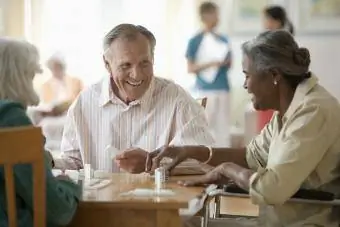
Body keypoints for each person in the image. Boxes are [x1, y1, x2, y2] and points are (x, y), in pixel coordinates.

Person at [147, 30, 340, 226]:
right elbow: (251, 156)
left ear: (274, 75)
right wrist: (190, 151)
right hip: (275, 221)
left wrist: (228, 169)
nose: (245, 85)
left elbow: (271, 189)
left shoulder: (313, 111)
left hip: (306, 223)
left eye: (247, 76)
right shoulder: (288, 110)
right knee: (183, 222)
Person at [54, 24, 214, 172]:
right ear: (107, 64)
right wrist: (49, 162)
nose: (137, 75)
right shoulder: (84, 103)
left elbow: (204, 162)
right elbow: (73, 164)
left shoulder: (179, 100)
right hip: (100, 202)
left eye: (144, 63)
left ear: (153, 59)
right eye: (126, 65)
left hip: (161, 202)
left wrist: (152, 163)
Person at [0, 38, 80, 227]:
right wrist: (70, 184)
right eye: (31, 76)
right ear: (18, 77)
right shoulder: (10, 118)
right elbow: (58, 211)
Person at [186, 2, 232, 147]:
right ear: (206, 16)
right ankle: (205, 159)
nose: (218, 17)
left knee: (223, 128)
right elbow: (190, 68)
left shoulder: (223, 39)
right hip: (205, 89)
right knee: (204, 127)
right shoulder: (195, 41)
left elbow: (230, 64)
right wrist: (212, 63)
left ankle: (225, 159)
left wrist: (225, 62)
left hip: (223, 88)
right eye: (215, 14)